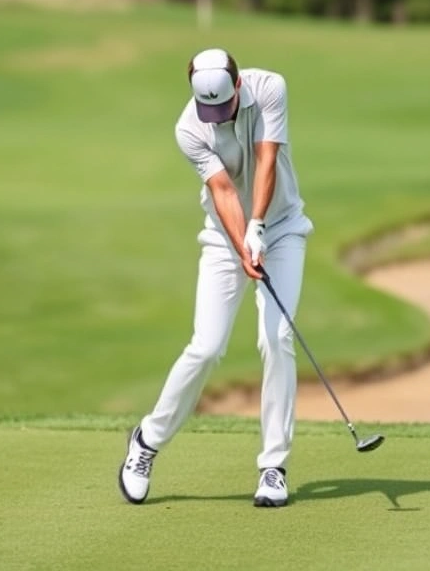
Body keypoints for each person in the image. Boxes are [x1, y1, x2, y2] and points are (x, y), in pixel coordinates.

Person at [118, 48, 313, 508]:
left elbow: (267, 159)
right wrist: (243, 240)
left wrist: (259, 227)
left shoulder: (270, 87)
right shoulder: (189, 128)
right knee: (206, 346)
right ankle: (146, 440)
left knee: (277, 338)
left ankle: (273, 468)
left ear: (238, 85)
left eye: (222, 107)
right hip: (225, 239)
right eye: (209, 109)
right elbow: (223, 189)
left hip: (282, 229)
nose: (216, 117)